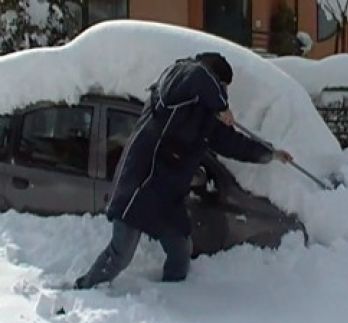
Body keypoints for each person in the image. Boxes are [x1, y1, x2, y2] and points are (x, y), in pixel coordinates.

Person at [74, 52, 293, 289]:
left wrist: (270, 153)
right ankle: (84, 288)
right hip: (140, 183)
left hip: (169, 194)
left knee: (180, 250)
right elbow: (195, 73)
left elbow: (233, 143)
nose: (225, 94)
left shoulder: (205, 119)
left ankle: (172, 297)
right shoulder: (173, 88)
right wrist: (221, 105)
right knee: (120, 255)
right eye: (223, 87)